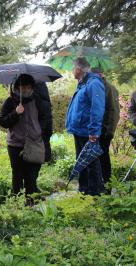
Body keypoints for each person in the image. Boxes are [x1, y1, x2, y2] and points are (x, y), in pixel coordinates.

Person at [0, 74, 52, 196]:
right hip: (15, 144)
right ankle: (17, 201)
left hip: (34, 143)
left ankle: (31, 200)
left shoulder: (38, 101)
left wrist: (39, 133)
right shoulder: (10, 101)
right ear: (16, 87)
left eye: (28, 87)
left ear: (33, 88)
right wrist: (15, 113)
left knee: (31, 176)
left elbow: (45, 119)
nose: (25, 90)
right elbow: (3, 122)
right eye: (23, 87)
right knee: (17, 174)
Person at [66, 57, 105, 196]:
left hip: (87, 131)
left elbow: (97, 109)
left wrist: (94, 131)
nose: (72, 71)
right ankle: (83, 189)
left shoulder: (94, 83)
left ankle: (95, 193)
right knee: (82, 160)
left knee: (91, 162)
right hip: (79, 130)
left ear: (78, 69)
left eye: (72, 68)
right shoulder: (83, 83)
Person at [92, 67, 120, 185]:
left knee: (103, 158)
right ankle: (100, 184)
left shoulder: (109, 88)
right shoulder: (97, 87)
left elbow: (114, 111)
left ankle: (107, 186)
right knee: (96, 159)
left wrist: (109, 131)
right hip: (98, 130)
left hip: (104, 131)